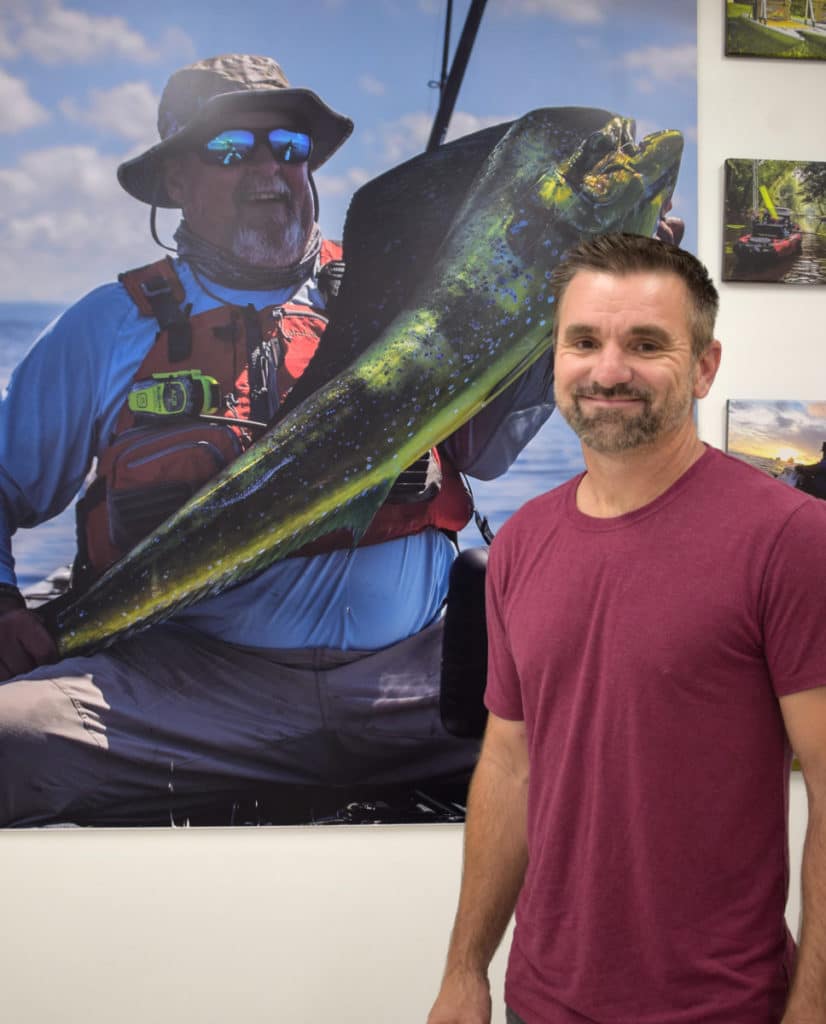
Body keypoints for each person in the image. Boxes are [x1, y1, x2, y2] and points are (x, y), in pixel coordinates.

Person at [0, 54, 555, 826]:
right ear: (174, 184)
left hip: (414, 686)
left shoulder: (407, 299)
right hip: (188, 694)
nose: (268, 167)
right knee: (11, 740)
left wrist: (565, 325)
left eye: (287, 148)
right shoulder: (108, 325)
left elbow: (487, 453)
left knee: (618, 715)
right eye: (231, 149)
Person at [427, 233, 826, 1024]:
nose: (608, 370)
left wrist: (811, 1006)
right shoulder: (524, 543)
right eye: (584, 342)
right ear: (556, 360)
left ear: (705, 366)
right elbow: (510, 765)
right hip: (540, 1002)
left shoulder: (790, 538)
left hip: (723, 1006)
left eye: (646, 344)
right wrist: (466, 970)